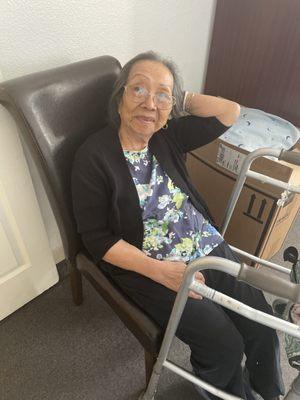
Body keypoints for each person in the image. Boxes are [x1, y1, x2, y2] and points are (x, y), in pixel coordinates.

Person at [71, 51, 284, 399]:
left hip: (203, 243)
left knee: (261, 323)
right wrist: (161, 272)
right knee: (225, 345)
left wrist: (177, 98)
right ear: (119, 96)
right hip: (150, 264)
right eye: (138, 90)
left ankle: (269, 392)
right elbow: (97, 241)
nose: (149, 104)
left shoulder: (166, 135)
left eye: (161, 95)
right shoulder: (92, 157)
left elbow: (229, 112)